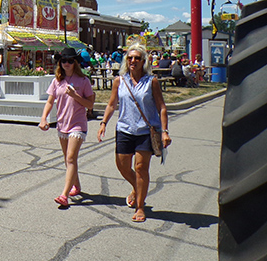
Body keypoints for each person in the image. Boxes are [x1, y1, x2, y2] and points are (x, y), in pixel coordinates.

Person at [97, 44, 171, 223]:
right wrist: (103, 123)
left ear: (143, 61)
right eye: (130, 58)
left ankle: (140, 206)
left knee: (140, 168)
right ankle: (137, 188)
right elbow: (111, 104)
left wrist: (165, 132)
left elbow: (161, 107)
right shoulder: (119, 81)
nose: (133, 61)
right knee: (122, 165)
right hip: (124, 129)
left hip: (145, 131)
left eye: (137, 58)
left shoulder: (151, 81)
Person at [38, 48, 95, 206]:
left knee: (70, 158)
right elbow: (50, 101)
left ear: (75, 62)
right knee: (68, 159)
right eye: (64, 61)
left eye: (70, 61)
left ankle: (64, 195)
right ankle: (76, 186)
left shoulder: (83, 81)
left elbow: (90, 104)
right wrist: (44, 119)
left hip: (78, 124)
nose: (67, 64)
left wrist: (75, 96)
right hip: (62, 124)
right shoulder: (57, 81)